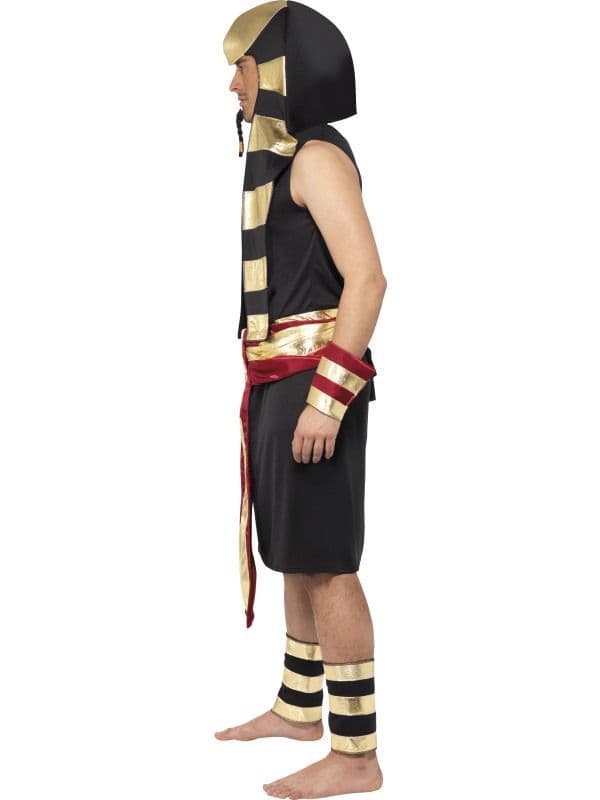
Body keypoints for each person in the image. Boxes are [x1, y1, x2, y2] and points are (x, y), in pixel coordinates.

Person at [215, 2, 387, 797]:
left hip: (315, 384)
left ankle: (356, 755)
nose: (233, 85)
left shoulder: (316, 158)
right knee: (294, 554)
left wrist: (328, 397)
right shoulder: (281, 162)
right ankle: (298, 707)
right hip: (278, 384)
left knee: (326, 565)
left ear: (280, 71)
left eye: (242, 67)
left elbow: (368, 280)